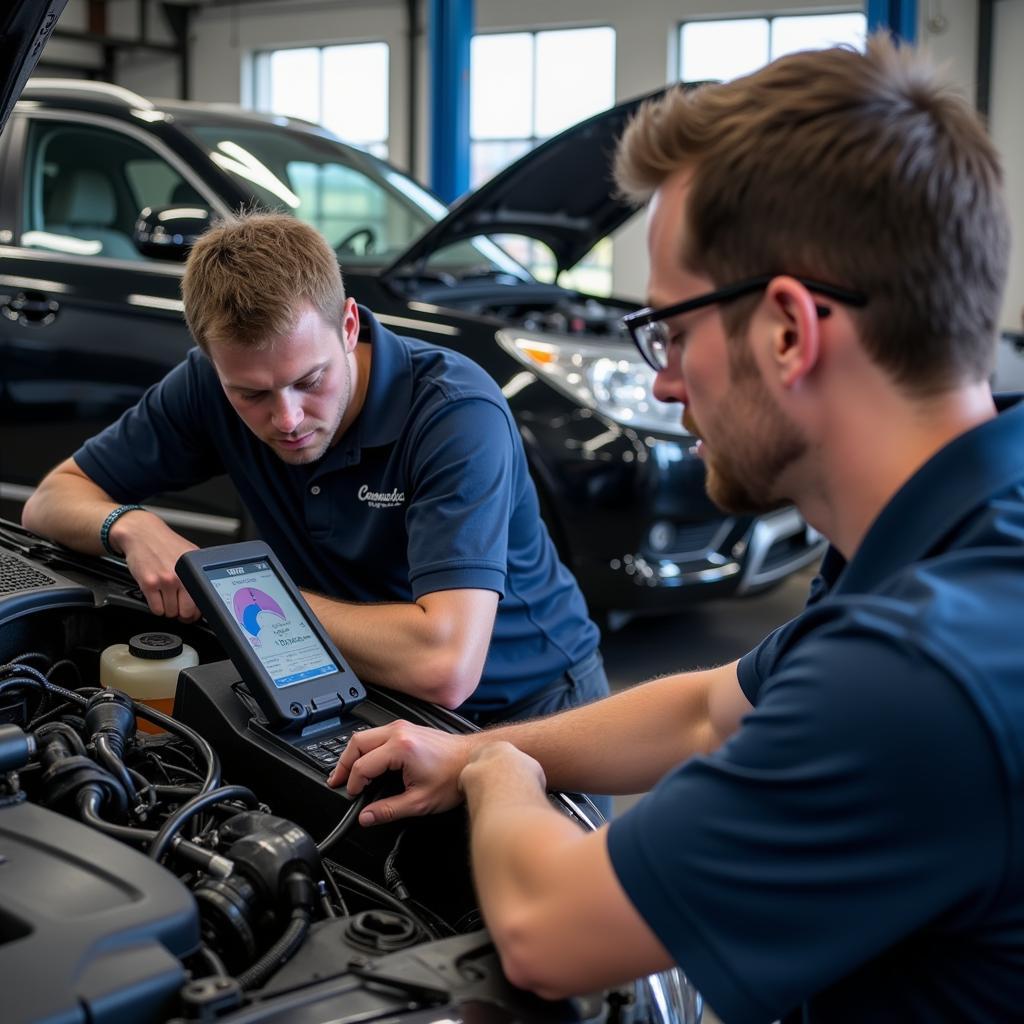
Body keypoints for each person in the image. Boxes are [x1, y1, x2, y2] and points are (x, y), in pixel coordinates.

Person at [326, 36, 1024, 1023]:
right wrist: (471, 747)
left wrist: (492, 767)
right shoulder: (953, 529)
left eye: (671, 329)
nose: (660, 380)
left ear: (787, 330)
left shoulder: (922, 667)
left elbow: (547, 928)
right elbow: (709, 708)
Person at [21, 212, 608, 748]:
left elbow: (445, 665)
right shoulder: (206, 384)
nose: (287, 419)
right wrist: (129, 524)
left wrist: (235, 597)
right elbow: (50, 500)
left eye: (311, 379)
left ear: (349, 325)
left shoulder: (455, 414)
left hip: (524, 711)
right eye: (251, 393)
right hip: (362, 693)